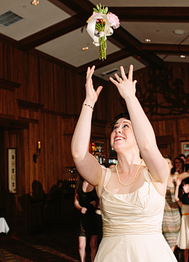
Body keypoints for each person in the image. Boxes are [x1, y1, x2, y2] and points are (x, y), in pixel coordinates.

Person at [71, 65, 176, 261]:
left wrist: (130, 97)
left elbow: (147, 145)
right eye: (115, 128)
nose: (118, 130)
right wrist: (89, 103)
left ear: (137, 135)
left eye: (126, 126)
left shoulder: (156, 172)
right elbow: (78, 154)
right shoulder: (103, 176)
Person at [74, 177, 101, 262]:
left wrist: (96, 203)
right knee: (81, 245)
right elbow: (75, 201)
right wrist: (80, 208)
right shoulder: (78, 185)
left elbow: (103, 198)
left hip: (93, 217)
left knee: (93, 245)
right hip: (83, 218)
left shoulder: (95, 184)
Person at [162, 157, 181, 251]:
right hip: (165, 213)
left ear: (171, 166)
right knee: (170, 240)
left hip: (176, 213)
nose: (166, 164)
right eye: (164, 162)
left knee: (175, 240)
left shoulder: (175, 177)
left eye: (168, 162)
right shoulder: (158, 179)